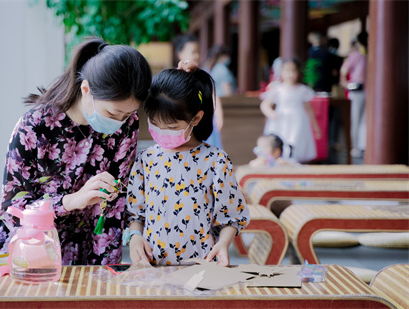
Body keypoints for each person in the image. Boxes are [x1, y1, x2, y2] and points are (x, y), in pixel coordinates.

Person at [0, 37, 155, 265]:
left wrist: (105, 276)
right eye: (113, 114)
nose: (121, 123)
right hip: (26, 249)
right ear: (86, 89)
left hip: (84, 251)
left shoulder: (127, 124)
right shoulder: (34, 126)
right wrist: (71, 201)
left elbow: (113, 205)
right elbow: (13, 209)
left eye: (127, 114)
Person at [124, 68, 250, 266]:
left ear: (196, 118)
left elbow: (232, 215)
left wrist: (224, 243)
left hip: (202, 269)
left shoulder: (216, 161)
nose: (162, 132)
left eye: (172, 127)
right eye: (155, 123)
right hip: (151, 270)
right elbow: (135, 212)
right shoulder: (146, 159)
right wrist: (134, 237)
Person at [260, 58, 321, 163]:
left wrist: (315, 127)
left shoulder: (303, 90)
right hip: (281, 121)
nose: (290, 74)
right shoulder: (278, 89)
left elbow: (309, 109)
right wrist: (271, 114)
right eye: (287, 71)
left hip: (298, 120)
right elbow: (265, 104)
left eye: (293, 71)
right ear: (282, 72)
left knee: (296, 142)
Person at [174, 35, 224, 149]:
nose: (196, 55)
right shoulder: (176, 75)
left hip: (205, 118)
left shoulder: (205, 74)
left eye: (198, 52)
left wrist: (218, 114)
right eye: (192, 52)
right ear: (180, 54)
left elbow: (214, 95)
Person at [341, 32, 367, 158]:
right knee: (364, 119)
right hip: (367, 91)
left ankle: (356, 146)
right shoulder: (370, 54)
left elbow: (343, 70)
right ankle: (361, 146)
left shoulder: (355, 55)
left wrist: (345, 84)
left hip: (357, 90)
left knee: (356, 119)